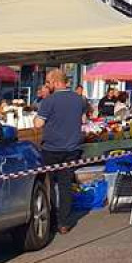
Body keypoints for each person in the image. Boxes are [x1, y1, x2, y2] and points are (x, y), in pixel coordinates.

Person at [35, 70, 85, 234]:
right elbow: (83, 119)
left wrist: (38, 117)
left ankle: (50, 220)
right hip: (72, 148)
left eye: (48, 83)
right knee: (65, 185)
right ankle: (63, 222)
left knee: (47, 184)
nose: (47, 86)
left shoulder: (49, 101)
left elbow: (38, 124)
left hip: (52, 148)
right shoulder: (79, 99)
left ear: (56, 82)